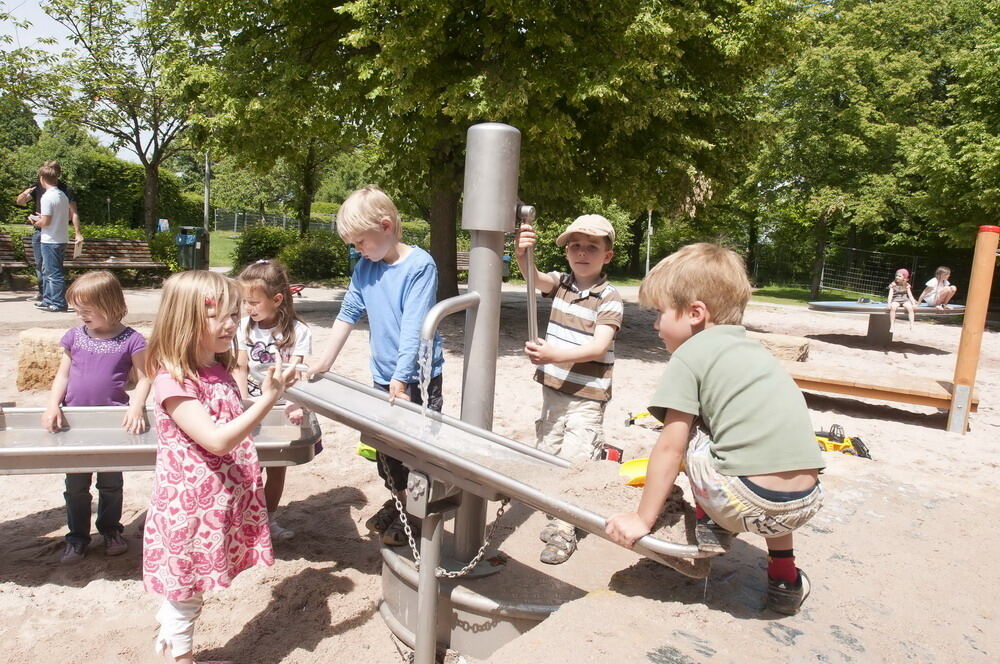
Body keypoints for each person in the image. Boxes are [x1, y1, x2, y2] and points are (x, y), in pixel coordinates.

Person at [605, 243, 825, 616]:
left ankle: (711, 523)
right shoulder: (755, 352)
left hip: (743, 501)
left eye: (660, 313)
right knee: (762, 447)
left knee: (685, 430)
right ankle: (785, 579)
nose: (656, 325)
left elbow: (670, 449)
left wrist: (642, 520)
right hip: (805, 501)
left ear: (695, 313)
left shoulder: (690, 355)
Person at [142, 270, 297, 664]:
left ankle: (172, 638)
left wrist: (278, 397)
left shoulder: (216, 369)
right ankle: (179, 657)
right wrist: (269, 398)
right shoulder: (172, 380)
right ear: (185, 320)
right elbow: (216, 439)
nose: (232, 324)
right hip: (190, 509)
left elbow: (228, 416)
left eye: (234, 314)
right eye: (219, 316)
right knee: (186, 592)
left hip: (214, 504)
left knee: (188, 590)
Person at [307, 185, 444, 547]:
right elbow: (348, 312)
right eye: (353, 245)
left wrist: (403, 376)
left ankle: (417, 515)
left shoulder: (419, 265)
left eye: (360, 242)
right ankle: (400, 502)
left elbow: (415, 325)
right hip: (384, 376)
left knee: (416, 452)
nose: (357, 250)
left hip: (416, 378)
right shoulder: (366, 268)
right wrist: (323, 361)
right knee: (386, 451)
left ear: (385, 226)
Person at [515, 214, 623, 565]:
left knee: (577, 460)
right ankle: (557, 508)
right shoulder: (561, 283)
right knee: (549, 447)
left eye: (592, 247)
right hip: (555, 391)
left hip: (587, 397)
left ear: (607, 255)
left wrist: (553, 354)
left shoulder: (609, 299)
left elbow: (597, 347)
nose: (582, 252)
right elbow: (533, 277)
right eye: (575, 245)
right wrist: (522, 254)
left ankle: (566, 529)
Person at [41, 270, 151, 564]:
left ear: (110, 305)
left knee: (111, 483)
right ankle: (77, 537)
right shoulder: (74, 337)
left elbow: (144, 378)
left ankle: (111, 531)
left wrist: (136, 406)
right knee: (76, 485)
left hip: (111, 423)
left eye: (86, 310)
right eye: (78, 310)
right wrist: (53, 405)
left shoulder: (132, 340)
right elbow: (62, 374)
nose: (81, 316)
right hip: (75, 423)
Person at [234, 259, 315, 542]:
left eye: (254, 302)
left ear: (277, 299)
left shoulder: (298, 331)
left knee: (276, 468)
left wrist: (294, 402)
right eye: (245, 301)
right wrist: (242, 401)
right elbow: (241, 367)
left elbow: (297, 372)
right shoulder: (243, 327)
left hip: (281, 406)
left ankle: (267, 519)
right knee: (248, 466)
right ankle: (245, 519)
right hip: (253, 404)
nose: (248, 308)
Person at [15, 161, 83, 303]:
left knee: (52, 269)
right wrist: (24, 193)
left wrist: (78, 232)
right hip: (41, 232)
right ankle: (45, 296)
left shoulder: (64, 190)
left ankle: (55, 300)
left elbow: (73, 213)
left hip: (52, 233)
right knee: (42, 266)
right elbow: (20, 202)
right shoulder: (39, 186)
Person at [887, 268, 918, 333]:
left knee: (910, 308)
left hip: (905, 300)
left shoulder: (906, 285)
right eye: (896, 276)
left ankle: (911, 325)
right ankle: (892, 325)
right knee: (893, 307)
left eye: (899, 276)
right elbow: (890, 295)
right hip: (896, 299)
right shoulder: (893, 284)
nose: (897, 277)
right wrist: (889, 303)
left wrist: (913, 304)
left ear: (904, 278)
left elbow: (910, 295)